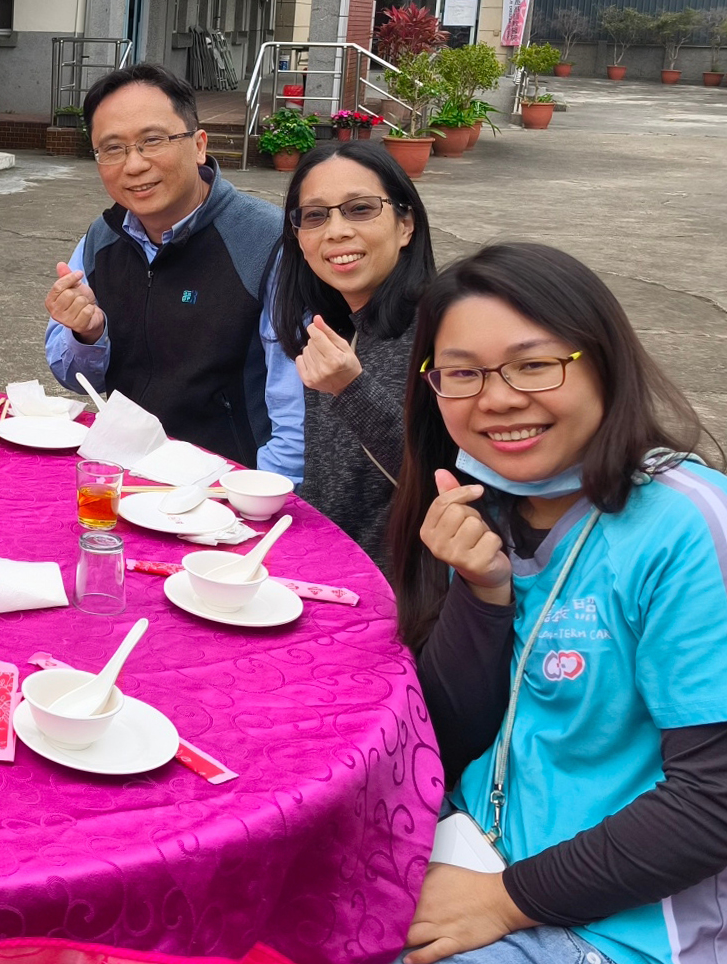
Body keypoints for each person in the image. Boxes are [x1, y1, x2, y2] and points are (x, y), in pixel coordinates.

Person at [389, 243, 727, 964]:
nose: (499, 398)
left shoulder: (684, 526)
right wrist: (482, 595)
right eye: (462, 374)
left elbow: (714, 802)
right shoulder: (491, 501)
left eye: (535, 364)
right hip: (470, 849)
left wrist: (504, 900)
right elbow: (449, 738)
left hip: (609, 923)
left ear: (603, 361)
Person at [44, 63, 301, 473]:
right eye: (112, 148)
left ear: (199, 145)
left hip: (224, 485)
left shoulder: (267, 242)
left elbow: (295, 414)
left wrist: (260, 500)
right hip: (127, 470)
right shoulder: (103, 238)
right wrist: (86, 333)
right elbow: (74, 378)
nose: (134, 165)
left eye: (152, 140)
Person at [269, 140, 435, 565]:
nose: (336, 230)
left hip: (403, 597)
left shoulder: (445, 331)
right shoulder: (333, 327)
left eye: (360, 209)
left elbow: (441, 480)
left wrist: (351, 389)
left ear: (405, 225)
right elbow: (332, 487)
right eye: (315, 216)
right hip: (327, 577)